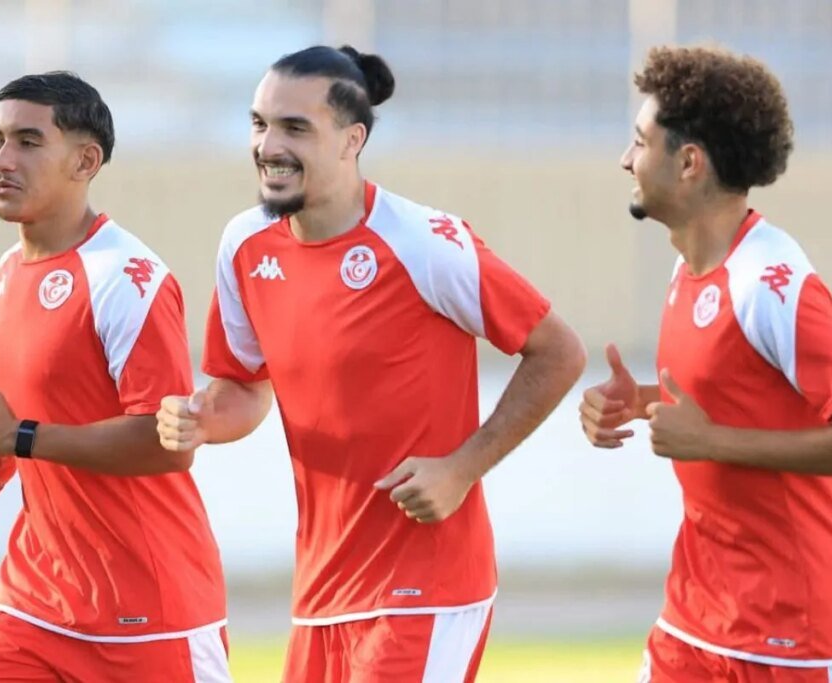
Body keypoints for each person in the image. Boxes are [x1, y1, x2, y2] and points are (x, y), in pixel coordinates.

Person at [156, 45, 586, 682]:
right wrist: (197, 417)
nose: (269, 145)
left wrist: (462, 469)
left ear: (351, 140)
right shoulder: (244, 244)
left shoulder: (424, 242)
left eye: (295, 128)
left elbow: (559, 352)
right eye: (259, 124)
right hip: (321, 596)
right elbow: (244, 389)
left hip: (428, 589)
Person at [579, 46, 832, 682]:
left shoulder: (773, 286)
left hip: (804, 635)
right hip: (699, 614)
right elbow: (734, 398)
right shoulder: (691, 269)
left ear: (690, 163)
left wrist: (710, 441)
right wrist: (641, 401)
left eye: (640, 142)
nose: (626, 159)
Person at [0, 71, 230, 682]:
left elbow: (166, 444)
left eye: (27, 141)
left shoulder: (127, 278)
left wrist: (18, 438)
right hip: (35, 602)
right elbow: (48, 413)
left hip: (149, 612)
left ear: (85, 160)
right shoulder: (8, 270)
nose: (3, 160)